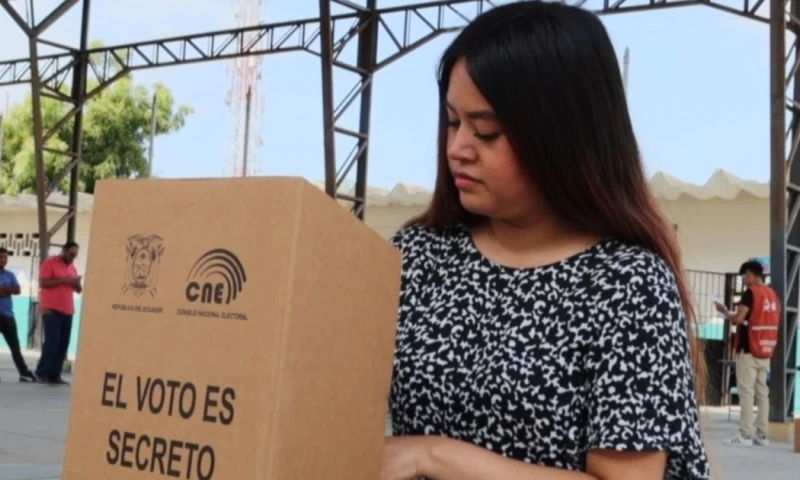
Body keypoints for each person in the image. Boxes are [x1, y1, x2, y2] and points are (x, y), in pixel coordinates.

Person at [381, 3, 710, 480]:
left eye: (486, 131)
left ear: (561, 136)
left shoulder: (628, 286)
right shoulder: (419, 256)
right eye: (453, 122)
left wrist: (430, 455)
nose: (457, 148)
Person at [716, 260, 781, 447]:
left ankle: (744, 434)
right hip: (766, 349)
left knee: (746, 392)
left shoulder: (751, 294)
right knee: (763, 394)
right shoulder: (772, 295)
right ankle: (762, 435)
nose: (743, 279)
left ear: (751, 274)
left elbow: (737, 319)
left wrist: (725, 312)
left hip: (749, 349)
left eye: (744, 275)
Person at [35, 241, 82, 386]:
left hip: (68, 310)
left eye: (75, 255)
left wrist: (76, 283)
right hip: (51, 309)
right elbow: (43, 283)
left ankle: (55, 375)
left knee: (63, 343)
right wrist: (64, 280)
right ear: (64, 250)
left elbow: (78, 290)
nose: (72, 257)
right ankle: (42, 372)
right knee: (53, 341)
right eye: (70, 254)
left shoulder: (72, 268)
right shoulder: (50, 263)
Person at [0, 247, 37, 383]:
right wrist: (7, 291)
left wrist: (4, 290)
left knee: (15, 346)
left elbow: (17, 290)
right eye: (1, 257)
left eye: (5, 257)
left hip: (8, 316)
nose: (3, 260)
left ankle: (24, 372)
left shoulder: (10, 275)